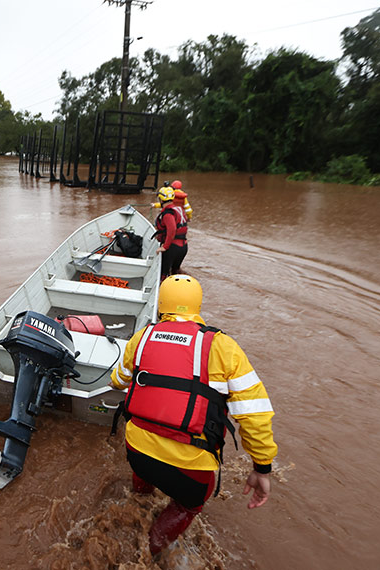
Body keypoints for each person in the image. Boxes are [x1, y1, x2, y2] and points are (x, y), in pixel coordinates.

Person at [110, 274, 277, 556]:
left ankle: (140, 499)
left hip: (138, 451)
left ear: (161, 305)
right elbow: (254, 414)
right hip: (190, 466)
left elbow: (118, 380)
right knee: (187, 505)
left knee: (143, 473)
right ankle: (149, 551)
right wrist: (262, 467)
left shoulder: (142, 337)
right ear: (198, 305)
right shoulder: (223, 347)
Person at [153, 185, 189, 278]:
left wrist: (164, 247)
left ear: (161, 200)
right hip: (183, 247)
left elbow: (172, 230)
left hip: (172, 248)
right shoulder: (179, 209)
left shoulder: (168, 214)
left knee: (163, 275)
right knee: (175, 273)